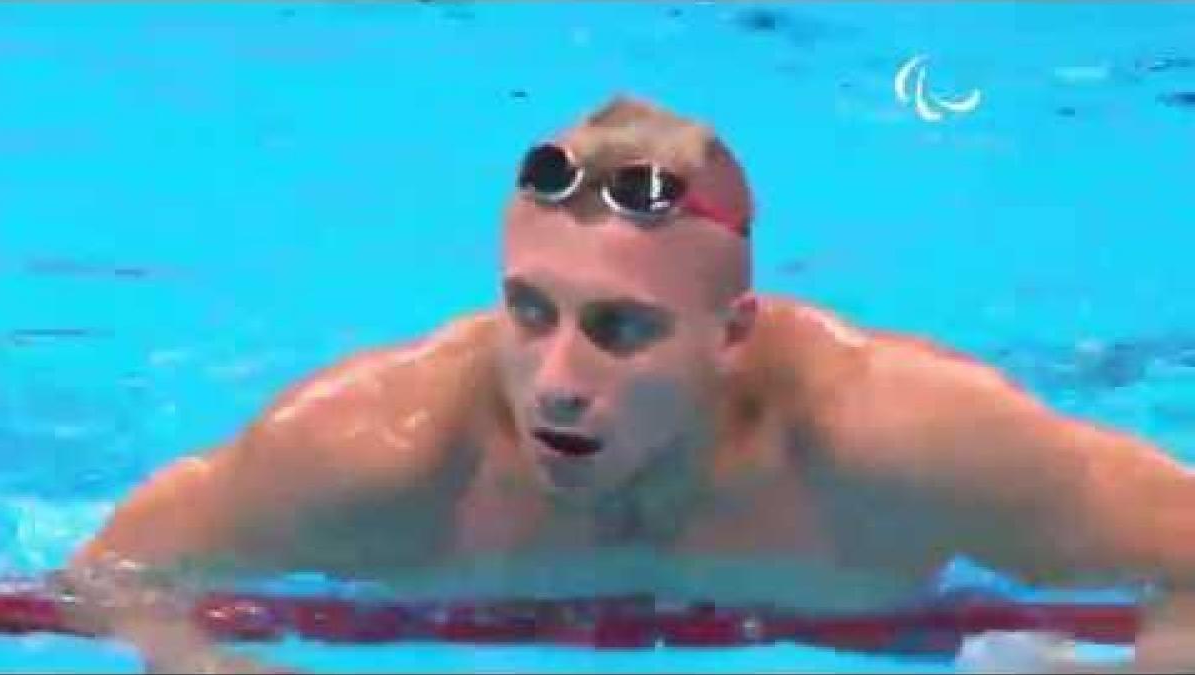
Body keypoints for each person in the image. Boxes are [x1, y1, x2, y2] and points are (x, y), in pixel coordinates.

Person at [58, 95, 1195, 673]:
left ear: (732, 333)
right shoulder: (375, 446)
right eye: (528, 312)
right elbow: (108, 579)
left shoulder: (899, 439)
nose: (554, 381)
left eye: (621, 329)